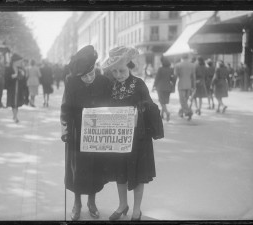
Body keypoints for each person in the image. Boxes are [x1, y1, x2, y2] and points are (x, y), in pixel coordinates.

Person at [102, 46, 163, 221]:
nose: (118, 74)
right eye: (114, 71)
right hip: (118, 138)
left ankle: (136, 209)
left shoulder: (139, 84)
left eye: (121, 70)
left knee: (138, 174)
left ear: (129, 66)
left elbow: (149, 106)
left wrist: (140, 110)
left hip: (138, 137)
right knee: (120, 172)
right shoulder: (112, 86)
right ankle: (122, 205)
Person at [60, 45, 111, 221]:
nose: (89, 78)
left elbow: (112, 105)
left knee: (94, 168)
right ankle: (77, 203)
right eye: (84, 77)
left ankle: (92, 202)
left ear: (95, 69)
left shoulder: (104, 81)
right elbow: (65, 107)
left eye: (91, 74)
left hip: (97, 132)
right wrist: (65, 129)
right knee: (77, 169)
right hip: (76, 132)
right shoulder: (71, 81)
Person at [174, 54, 196, 120]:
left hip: (181, 84)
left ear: (181, 57)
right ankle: (181, 112)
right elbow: (193, 76)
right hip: (189, 84)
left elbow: (175, 75)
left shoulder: (178, 65)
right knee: (185, 100)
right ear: (188, 57)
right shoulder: (192, 65)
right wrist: (194, 85)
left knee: (182, 100)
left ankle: (189, 111)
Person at [5, 53, 26, 123]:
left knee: (16, 103)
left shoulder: (20, 69)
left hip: (18, 88)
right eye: (19, 61)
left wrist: (23, 75)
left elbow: (23, 80)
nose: (20, 63)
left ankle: (15, 115)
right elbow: (6, 78)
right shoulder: (8, 68)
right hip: (12, 88)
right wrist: (12, 76)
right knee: (13, 103)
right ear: (14, 61)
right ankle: (15, 116)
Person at [153, 56, 174, 121]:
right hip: (168, 87)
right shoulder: (171, 69)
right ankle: (162, 114)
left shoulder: (160, 69)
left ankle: (167, 113)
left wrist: (154, 86)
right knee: (164, 101)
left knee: (161, 101)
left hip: (160, 87)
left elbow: (157, 78)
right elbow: (173, 78)